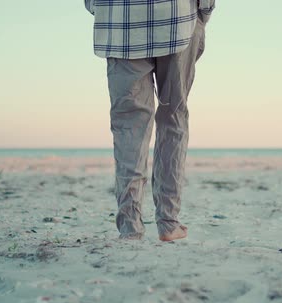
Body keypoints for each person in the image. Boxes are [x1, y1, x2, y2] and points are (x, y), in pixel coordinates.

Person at [84, 0, 215, 241]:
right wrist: (203, 11)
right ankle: (168, 222)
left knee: (128, 127)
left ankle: (130, 226)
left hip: (119, 22)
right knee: (173, 118)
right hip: (178, 18)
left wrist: (102, 9)